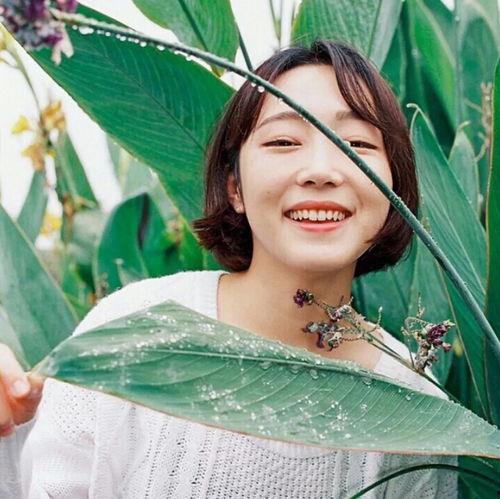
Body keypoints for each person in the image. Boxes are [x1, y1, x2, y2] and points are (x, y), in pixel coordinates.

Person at [0, 40, 457, 497]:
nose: (321, 170)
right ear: (234, 186)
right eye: (283, 142)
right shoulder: (137, 327)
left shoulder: (417, 409)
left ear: (394, 187)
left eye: (356, 143)